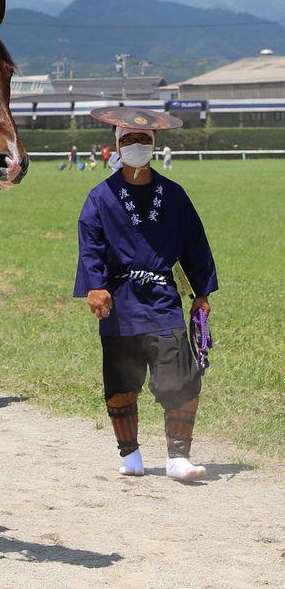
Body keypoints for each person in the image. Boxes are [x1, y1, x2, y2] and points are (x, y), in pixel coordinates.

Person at [74, 106, 217, 482]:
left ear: (153, 144)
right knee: (122, 381)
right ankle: (131, 453)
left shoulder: (173, 195)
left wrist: (201, 293)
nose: (136, 146)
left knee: (181, 378)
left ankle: (178, 457)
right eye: (129, 140)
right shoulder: (100, 196)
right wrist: (95, 285)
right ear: (117, 146)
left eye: (143, 140)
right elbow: (90, 244)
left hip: (163, 299)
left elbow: (194, 245)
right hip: (119, 302)